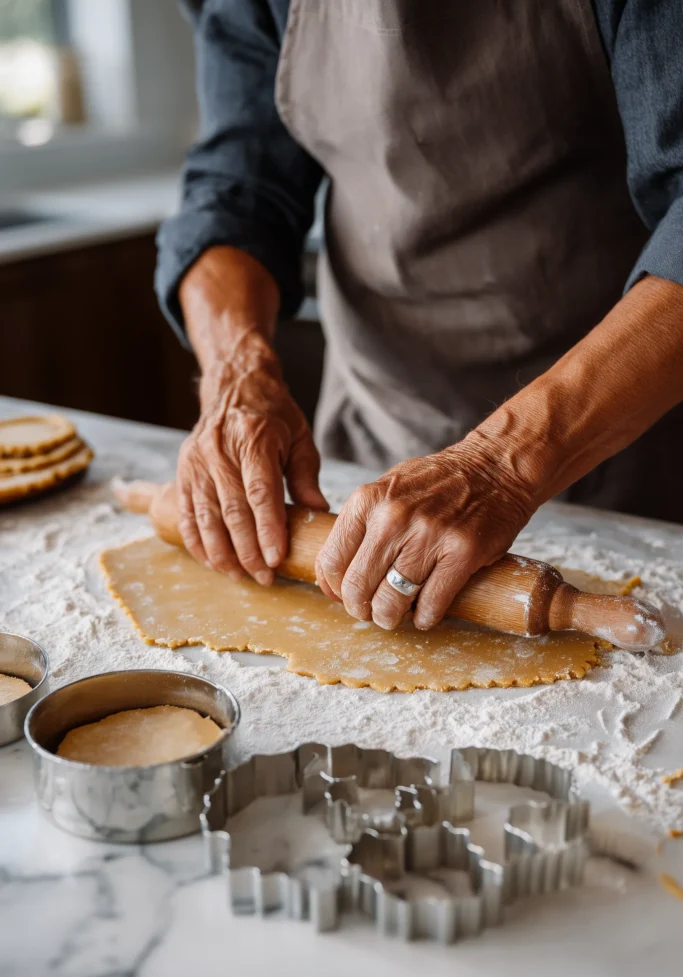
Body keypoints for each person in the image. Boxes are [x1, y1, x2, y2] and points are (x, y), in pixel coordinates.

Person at [156, 0, 683, 634]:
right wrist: (237, 375)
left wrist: (498, 465)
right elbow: (237, 192)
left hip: (617, 425)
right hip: (373, 426)